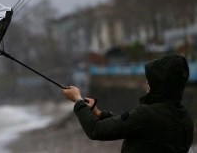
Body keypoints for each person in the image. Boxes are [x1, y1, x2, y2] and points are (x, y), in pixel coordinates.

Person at [62, 53, 194, 152]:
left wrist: (78, 101)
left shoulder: (147, 114)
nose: (147, 82)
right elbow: (134, 126)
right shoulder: (185, 119)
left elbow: (96, 130)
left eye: (151, 79)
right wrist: (99, 113)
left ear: (161, 84)